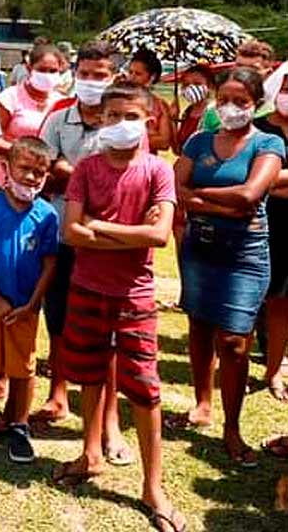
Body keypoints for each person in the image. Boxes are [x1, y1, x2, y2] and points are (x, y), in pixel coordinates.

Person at [54, 81, 182, 532]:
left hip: (135, 296)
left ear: (148, 121)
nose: (121, 124)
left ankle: (153, 486)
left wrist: (98, 226)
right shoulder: (87, 168)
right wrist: (124, 232)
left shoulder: (157, 171)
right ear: (100, 119)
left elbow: (159, 236)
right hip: (86, 288)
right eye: (112, 116)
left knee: (144, 390)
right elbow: (71, 233)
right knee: (88, 374)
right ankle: (90, 454)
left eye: (131, 117)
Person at [174, 67, 284, 467]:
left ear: (256, 104)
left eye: (241, 101)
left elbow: (251, 194)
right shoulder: (199, 140)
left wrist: (198, 197)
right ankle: (202, 403)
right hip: (200, 249)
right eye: (225, 100)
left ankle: (232, 427)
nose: (231, 108)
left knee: (235, 341)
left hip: (244, 255)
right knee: (200, 326)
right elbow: (176, 189)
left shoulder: (267, 143)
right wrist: (219, 202)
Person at [34, 42, 116, 436]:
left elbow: (124, 174)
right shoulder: (59, 118)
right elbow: (44, 164)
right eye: (84, 74)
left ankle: (105, 415)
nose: (91, 82)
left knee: (104, 324)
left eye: (99, 75)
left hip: (105, 238)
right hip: (61, 231)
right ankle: (58, 392)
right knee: (59, 314)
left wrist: (73, 173)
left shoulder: (122, 122)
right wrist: (88, 176)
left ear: (112, 77)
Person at [0, 137, 58, 463]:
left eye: (39, 172)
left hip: (25, 309)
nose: (31, 178)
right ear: (7, 168)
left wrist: (33, 303)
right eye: (25, 169)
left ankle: (19, 423)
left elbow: (50, 262)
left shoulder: (47, 215)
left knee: (23, 367)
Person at [0, 43, 66, 187]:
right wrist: (22, 153)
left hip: (46, 184)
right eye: (42, 70)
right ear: (29, 68)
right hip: (7, 180)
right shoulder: (9, 98)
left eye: (53, 71)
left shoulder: (63, 102)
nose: (47, 75)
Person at [260, 66, 288, 402]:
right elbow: (255, 181)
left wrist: (273, 179)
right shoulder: (260, 130)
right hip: (263, 225)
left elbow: (266, 181)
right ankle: (271, 369)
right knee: (268, 303)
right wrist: (266, 182)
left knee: (284, 304)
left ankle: (276, 367)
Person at [128, 48, 175, 152]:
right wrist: (152, 133)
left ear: (152, 77)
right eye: (130, 72)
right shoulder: (117, 100)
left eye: (138, 74)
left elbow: (164, 143)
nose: (131, 77)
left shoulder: (160, 105)